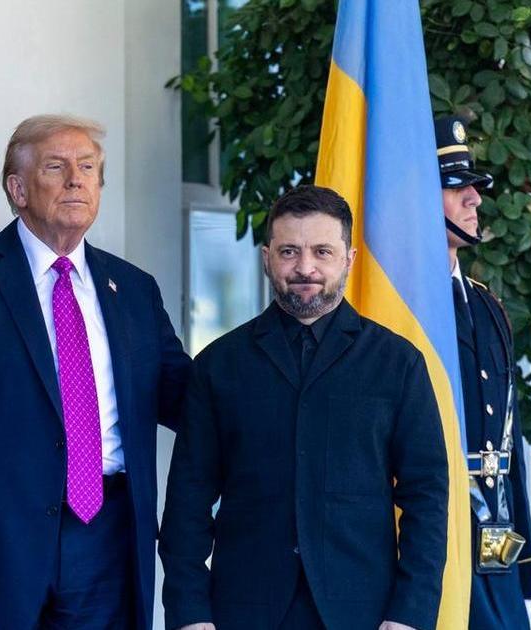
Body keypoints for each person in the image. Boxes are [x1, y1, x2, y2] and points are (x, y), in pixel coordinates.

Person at [0, 114, 191, 630]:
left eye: (88, 168)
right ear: (18, 189)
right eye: (56, 167)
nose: (76, 180)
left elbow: (184, 397)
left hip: (107, 543)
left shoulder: (134, 289)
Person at [159, 185, 449, 630]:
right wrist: (189, 613)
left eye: (322, 251)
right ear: (267, 257)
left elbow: (426, 496)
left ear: (349, 259)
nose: (305, 267)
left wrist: (410, 613)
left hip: (365, 614)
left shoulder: (398, 363)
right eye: (289, 251)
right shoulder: (218, 365)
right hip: (242, 612)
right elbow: (187, 500)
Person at [434, 115, 531, 630]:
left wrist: (523, 561)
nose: (474, 198)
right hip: (433, 538)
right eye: (455, 186)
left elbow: (507, 442)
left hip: (495, 538)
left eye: (473, 186)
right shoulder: (405, 313)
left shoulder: (487, 306)